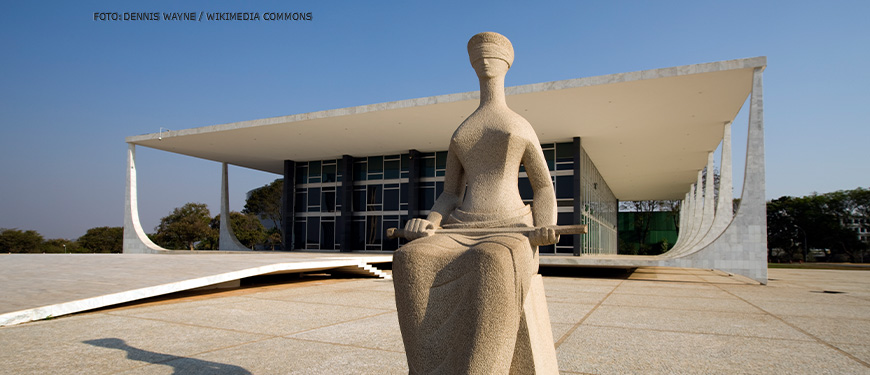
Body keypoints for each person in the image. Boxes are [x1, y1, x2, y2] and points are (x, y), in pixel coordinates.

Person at [393, 32, 559, 374]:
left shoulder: (519, 125)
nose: (485, 61)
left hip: (512, 226)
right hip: (461, 226)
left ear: (507, 63)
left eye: (492, 56)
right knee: (409, 259)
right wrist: (430, 222)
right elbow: (450, 193)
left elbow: (543, 186)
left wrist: (545, 224)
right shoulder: (462, 131)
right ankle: (426, 368)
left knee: (491, 260)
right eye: (478, 57)